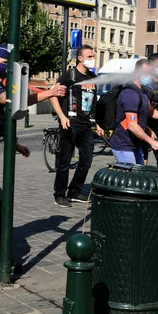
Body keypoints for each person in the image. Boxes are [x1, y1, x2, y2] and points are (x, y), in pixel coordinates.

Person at [0, 43, 65, 265]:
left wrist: (15, 144)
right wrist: (51, 92)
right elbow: (11, 101)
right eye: (6, 64)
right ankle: (1, 259)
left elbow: (13, 108)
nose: (9, 68)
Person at [51, 45, 104, 208]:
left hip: (87, 126)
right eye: (89, 56)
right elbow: (53, 95)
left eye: (93, 56)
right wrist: (61, 116)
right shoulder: (70, 75)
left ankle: (74, 191)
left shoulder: (93, 77)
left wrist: (98, 123)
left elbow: (93, 103)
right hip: (70, 124)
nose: (92, 59)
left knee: (86, 160)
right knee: (65, 161)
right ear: (80, 58)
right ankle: (59, 194)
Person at [109, 59, 158, 165]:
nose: (149, 76)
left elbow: (150, 111)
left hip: (135, 143)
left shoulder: (144, 91)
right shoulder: (130, 94)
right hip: (123, 145)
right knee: (131, 177)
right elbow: (132, 125)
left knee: (139, 175)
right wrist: (152, 142)